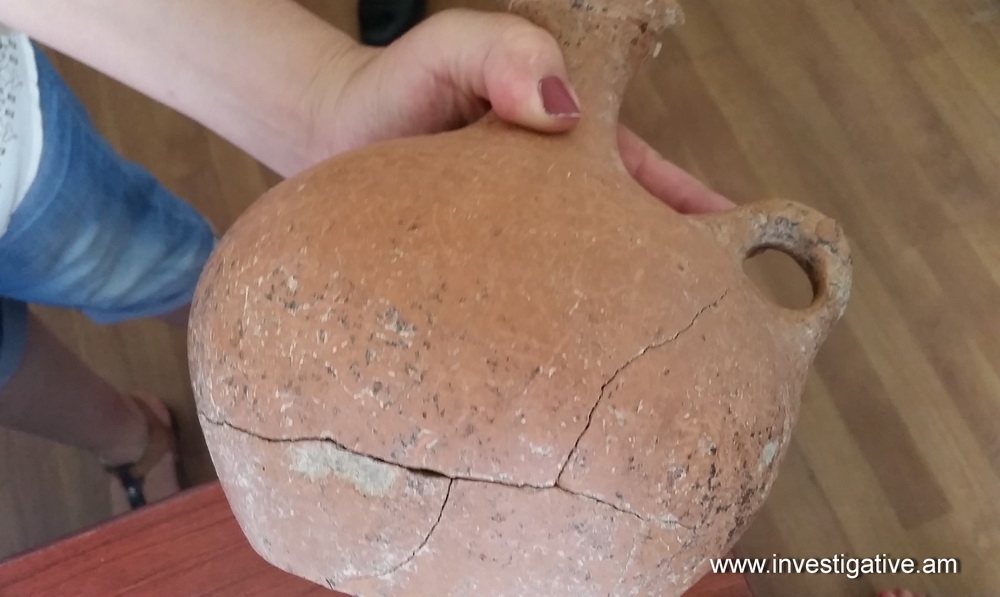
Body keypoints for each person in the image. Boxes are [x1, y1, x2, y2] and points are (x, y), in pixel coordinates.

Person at [0, 0, 734, 515]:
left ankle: (217, 394)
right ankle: (130, 440)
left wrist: (326, 97)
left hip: (19, 161)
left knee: (162, 269)